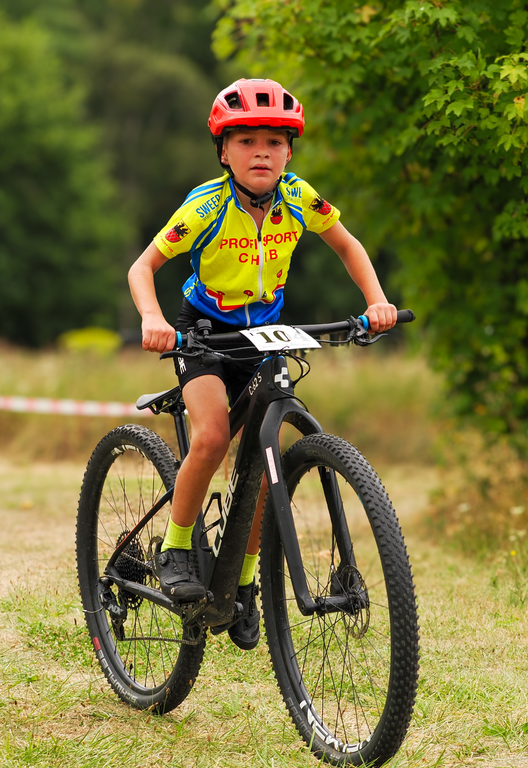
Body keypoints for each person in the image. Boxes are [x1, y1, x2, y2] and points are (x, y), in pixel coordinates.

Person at [127, 77, 397, 650]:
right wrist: (153, 318)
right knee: (211, 438)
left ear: (289, 153)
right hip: (204, 333)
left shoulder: (299, 198)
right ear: (224, 152)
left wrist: (376, 301)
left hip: (263, 335)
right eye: (246, 141)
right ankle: (175, 548)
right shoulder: (206, 206)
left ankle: (244, 583)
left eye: (274, 142)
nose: (261, 153)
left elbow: (347, 245)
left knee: (262, 462)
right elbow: (142, 267)